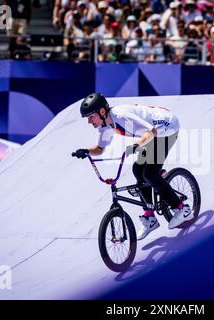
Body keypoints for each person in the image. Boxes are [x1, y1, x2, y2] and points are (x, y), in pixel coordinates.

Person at [73, 93, 193, 240]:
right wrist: (86, 151)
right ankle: (150, 217)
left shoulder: (122, 117)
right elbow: (100, 148)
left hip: (166, 127)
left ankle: (182, 209)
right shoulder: (105, 126)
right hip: (151, 134)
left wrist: (137, 145)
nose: (89, 121)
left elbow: (152, 131)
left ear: (102, 112)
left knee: (150, 174)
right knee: (138, 170)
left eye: (91, 116)